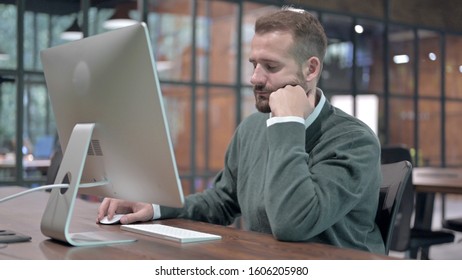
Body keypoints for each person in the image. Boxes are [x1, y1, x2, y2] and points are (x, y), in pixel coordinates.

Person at [97, 7, 385, 254]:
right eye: (254, 64)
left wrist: (288, 124)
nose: (255, 78)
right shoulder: (252, 128)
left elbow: (293, 222)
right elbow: (222, 201)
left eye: (270, 66)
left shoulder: (354, 141)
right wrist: (157, 206)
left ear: (310, 70)